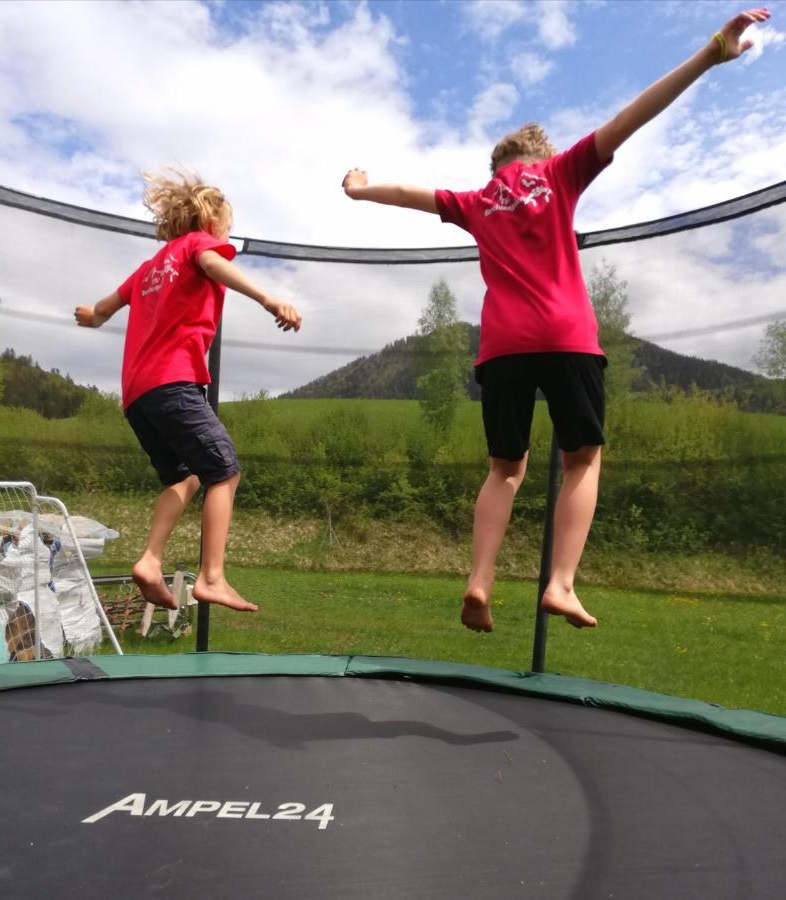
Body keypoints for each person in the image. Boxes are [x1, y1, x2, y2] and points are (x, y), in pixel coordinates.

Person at [342, 8, 770, 633]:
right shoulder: (561, 172)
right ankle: (561, 585)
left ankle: (480, 581)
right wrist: (710, 53)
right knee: (582, 460)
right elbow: (633, 117)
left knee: (503, 470)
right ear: (539, 155)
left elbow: (411, 194)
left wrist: (360, 188)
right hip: (567, 335)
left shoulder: (477, 200)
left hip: (503, 347)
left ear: (497, 169)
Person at [75, 170, 301, 613]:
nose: (228, 235)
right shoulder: (199, 246)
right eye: (228, 227)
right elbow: (216, 266)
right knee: (224, 469)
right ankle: (212, 576)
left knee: (186, 476)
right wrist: (270, 300)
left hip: (137, 395)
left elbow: (102, 311)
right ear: (211, 221)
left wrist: (90, 315)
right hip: (174, 382)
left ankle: (149, 560)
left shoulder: (148, 268)